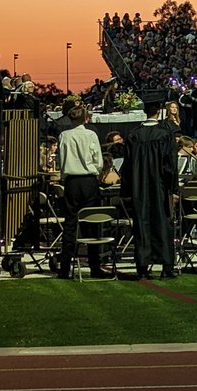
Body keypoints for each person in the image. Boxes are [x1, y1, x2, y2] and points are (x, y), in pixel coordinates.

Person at [121, 95, 179, 279]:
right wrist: (173, 188)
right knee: (162, 223)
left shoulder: (133, 135)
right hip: (160, 186)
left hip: (139, 187)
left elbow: (128, 166)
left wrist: (128, 189)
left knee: (142, 223)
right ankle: (166, 267)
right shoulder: (164, 133)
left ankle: (142, 268)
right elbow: (170, 165)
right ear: (159, 111)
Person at [56, 104, 109, 279]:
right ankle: (94, 266)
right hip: (88, 181)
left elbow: (61, 158)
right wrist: (95, 169)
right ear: (85, 118)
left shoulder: (64, 135)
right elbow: (98, 160)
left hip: (71, 181)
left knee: (70, 223)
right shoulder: (90, 135)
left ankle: (64, 267)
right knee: (91, 223)